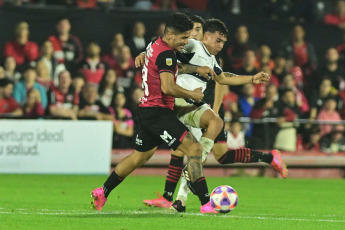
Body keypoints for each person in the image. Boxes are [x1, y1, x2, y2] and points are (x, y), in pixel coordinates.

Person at [137, 18, 286, 212]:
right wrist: (145, 52)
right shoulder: (193, 46)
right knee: (190, 150)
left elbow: (223, 78)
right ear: (206, 36)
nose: (221, 46)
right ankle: (178, 195)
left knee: (206, 147)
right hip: (183, 102)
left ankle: (182, 193)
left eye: (224, 42)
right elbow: (162, 43)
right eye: (218, 41)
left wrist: (252, 78)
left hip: (198, 105)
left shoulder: (212, 60)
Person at [90, 12, 216, 213]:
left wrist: (196, 69)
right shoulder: (166, 54)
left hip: (147, 110)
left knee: (139, 157)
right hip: (159, 112)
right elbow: (167, 87)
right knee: (194, 149)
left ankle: (103, 191)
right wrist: (191, 93)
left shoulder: (155, 44)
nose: (187, 41)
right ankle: (206, 203)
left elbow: (173, 67)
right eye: (184, 37)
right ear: (172, 35)